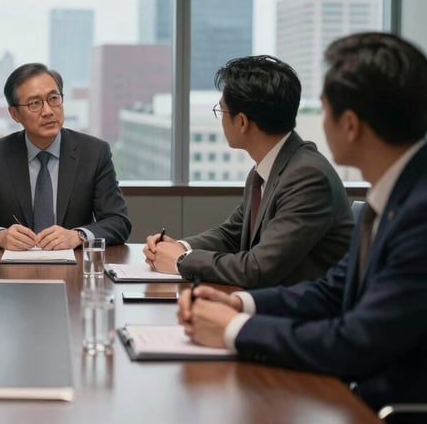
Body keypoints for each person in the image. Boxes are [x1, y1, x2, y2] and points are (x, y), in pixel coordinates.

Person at [178, 32, 427, 411]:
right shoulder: (393, 195)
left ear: (350, 125)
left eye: (324, 110)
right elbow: (329, 292)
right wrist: (241, 305)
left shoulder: (418, 214)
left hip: (378, 406)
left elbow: (355, 342)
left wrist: (234, 329)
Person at [144, 55, 352, 288]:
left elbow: (258, 268)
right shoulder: (268, 169)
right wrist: (180, 247)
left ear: (242, 122)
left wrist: (182, 261)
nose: (220, 119)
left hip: (300, 314)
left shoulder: (307, 177)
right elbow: (232, 235)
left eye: (221, 111)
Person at [0, 62, 130, 250]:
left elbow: (118, 221)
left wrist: (77, 236)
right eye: (34, 104)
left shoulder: (94, 152)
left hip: (75, 270)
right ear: (15, 114)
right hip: (12, 272)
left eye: (54, 98)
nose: (48, 111)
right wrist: (0, 236)